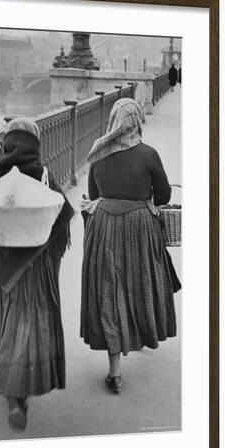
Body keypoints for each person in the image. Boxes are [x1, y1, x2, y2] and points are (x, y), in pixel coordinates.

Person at [0, 118, 74, 430]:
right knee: (26, 325)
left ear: (6, 144)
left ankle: (10, 388)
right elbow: (62, 217)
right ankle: (18, 393)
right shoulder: (43, 175)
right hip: (32, 268)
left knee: (1, 321)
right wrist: (48, 254)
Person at [80, 98, 181, 394]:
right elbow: (162, 196)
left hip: (104, 226)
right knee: (139, 285)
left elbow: (92, 194)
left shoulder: (97, 152)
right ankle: (138, 333)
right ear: (136, 120)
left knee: (109, 290)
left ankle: (115, 372)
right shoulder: (148, 154)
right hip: (139, 227)